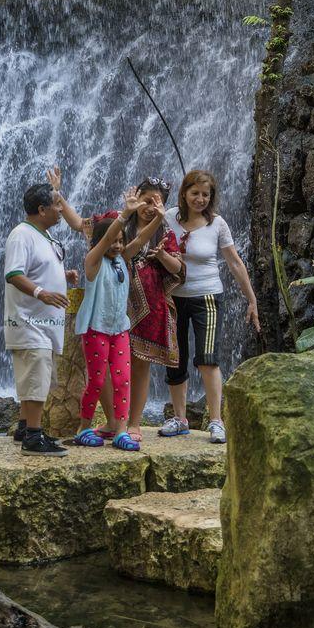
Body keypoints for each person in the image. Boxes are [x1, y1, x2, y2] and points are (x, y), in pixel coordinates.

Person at [160, 169, 260, 444]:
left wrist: (251, 299)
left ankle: (216, 421)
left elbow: (235, 263)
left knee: (207, 358)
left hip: (207, 296)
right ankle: (180, 419)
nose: (200, 199)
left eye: (206, 195)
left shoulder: (217, 224)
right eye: (195, 193)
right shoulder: (169, 218)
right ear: (184, 194)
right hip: (174, 297)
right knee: (175, 358)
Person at [73, 188, 166, 452]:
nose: (116, 245)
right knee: (98, 380)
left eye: (120, 241)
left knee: (123, 378)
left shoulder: (122, 260)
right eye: (112, 241)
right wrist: (124, 215)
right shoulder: (93, 261)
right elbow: (104, 243)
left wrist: (158, 219)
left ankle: (121, 431)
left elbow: (139, 240)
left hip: (119, 329)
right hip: (96, 330)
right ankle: (83, 427)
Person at [4, 181, 79, 456]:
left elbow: (40, 268)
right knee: (35, 375)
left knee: (36, 375)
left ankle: (25, 427)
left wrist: (63, 276)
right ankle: (33, 438)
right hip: (27, 321)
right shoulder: (21, 235)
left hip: (43, 324)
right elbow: (13, 273)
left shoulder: (42, 235)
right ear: (41, 209)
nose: (61, 210)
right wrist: (41, 293)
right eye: (57, 205)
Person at [125, 179, 185, 442]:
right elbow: (86, 227)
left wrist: (161, 255)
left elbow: (178, 270)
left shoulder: (166, 233)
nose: (150, 206)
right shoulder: (120, 225)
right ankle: (115, 420)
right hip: (117, 303)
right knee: (112, 363)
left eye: (156, 202)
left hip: (149, 309)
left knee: (140, 366)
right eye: (145, 200)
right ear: (135, 198)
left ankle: (134, 423)